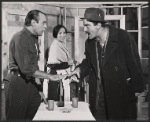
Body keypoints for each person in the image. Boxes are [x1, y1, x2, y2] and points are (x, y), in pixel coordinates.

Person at [68, 7, 144, 120]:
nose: (85, 29)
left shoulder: (123, 37)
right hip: (99, 97)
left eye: (87, 25)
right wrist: (78, 70)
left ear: (98, 24)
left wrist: (137, 90)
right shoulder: (89, 43)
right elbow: (88, 62)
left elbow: (134, 63)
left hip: (120, 95)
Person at [4, 10, 67, 120]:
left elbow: (34, 66)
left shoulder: (34, 39)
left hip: (30, 83)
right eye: (43, 23)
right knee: (16, 118)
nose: (46, 26)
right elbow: (26, 69)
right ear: (33, 23)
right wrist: (50, 76)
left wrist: (39, 89)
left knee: (36, 113)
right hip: (18, 83)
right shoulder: (21, 38)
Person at [45, 25, 77, 102]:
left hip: (61, 74)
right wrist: (69, 63)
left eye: (64, 33)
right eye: (60, 33)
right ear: (56, 34)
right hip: (56, 75)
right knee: (56, 101)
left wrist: (70, 63)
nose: (63, 35)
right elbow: (54, 64)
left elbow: (65, 60)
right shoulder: (55, 45)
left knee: (62, 100)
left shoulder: (61, 44)